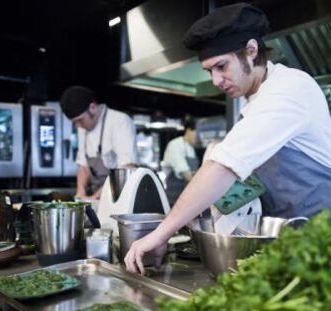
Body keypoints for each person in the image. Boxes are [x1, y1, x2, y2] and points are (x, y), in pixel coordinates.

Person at [124, 2, 331, 274]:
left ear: (251, 50)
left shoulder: (289, 89)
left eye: (221, 66)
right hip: (288, 241)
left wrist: (161, 233)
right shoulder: (255, 101)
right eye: (209, 71)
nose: (216, 80)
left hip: (320, 242)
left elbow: (222, 167)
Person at [60, 86, 138, 200]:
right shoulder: (83, 126)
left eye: (80, 120)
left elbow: (127, 168)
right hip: (96, 196)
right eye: (74, 122)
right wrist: (80, 194)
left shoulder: (120, 121)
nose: (78, 126)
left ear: (92, 107)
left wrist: (94, 198)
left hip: (120, 197)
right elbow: (84, 166)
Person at [162, 116, 199, 205]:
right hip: (173, 199)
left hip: (188, 199)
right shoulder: (175, 145)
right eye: (197, 134)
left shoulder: (191, 149)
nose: (199, 138)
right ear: (189, 130)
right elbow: (186, 174)